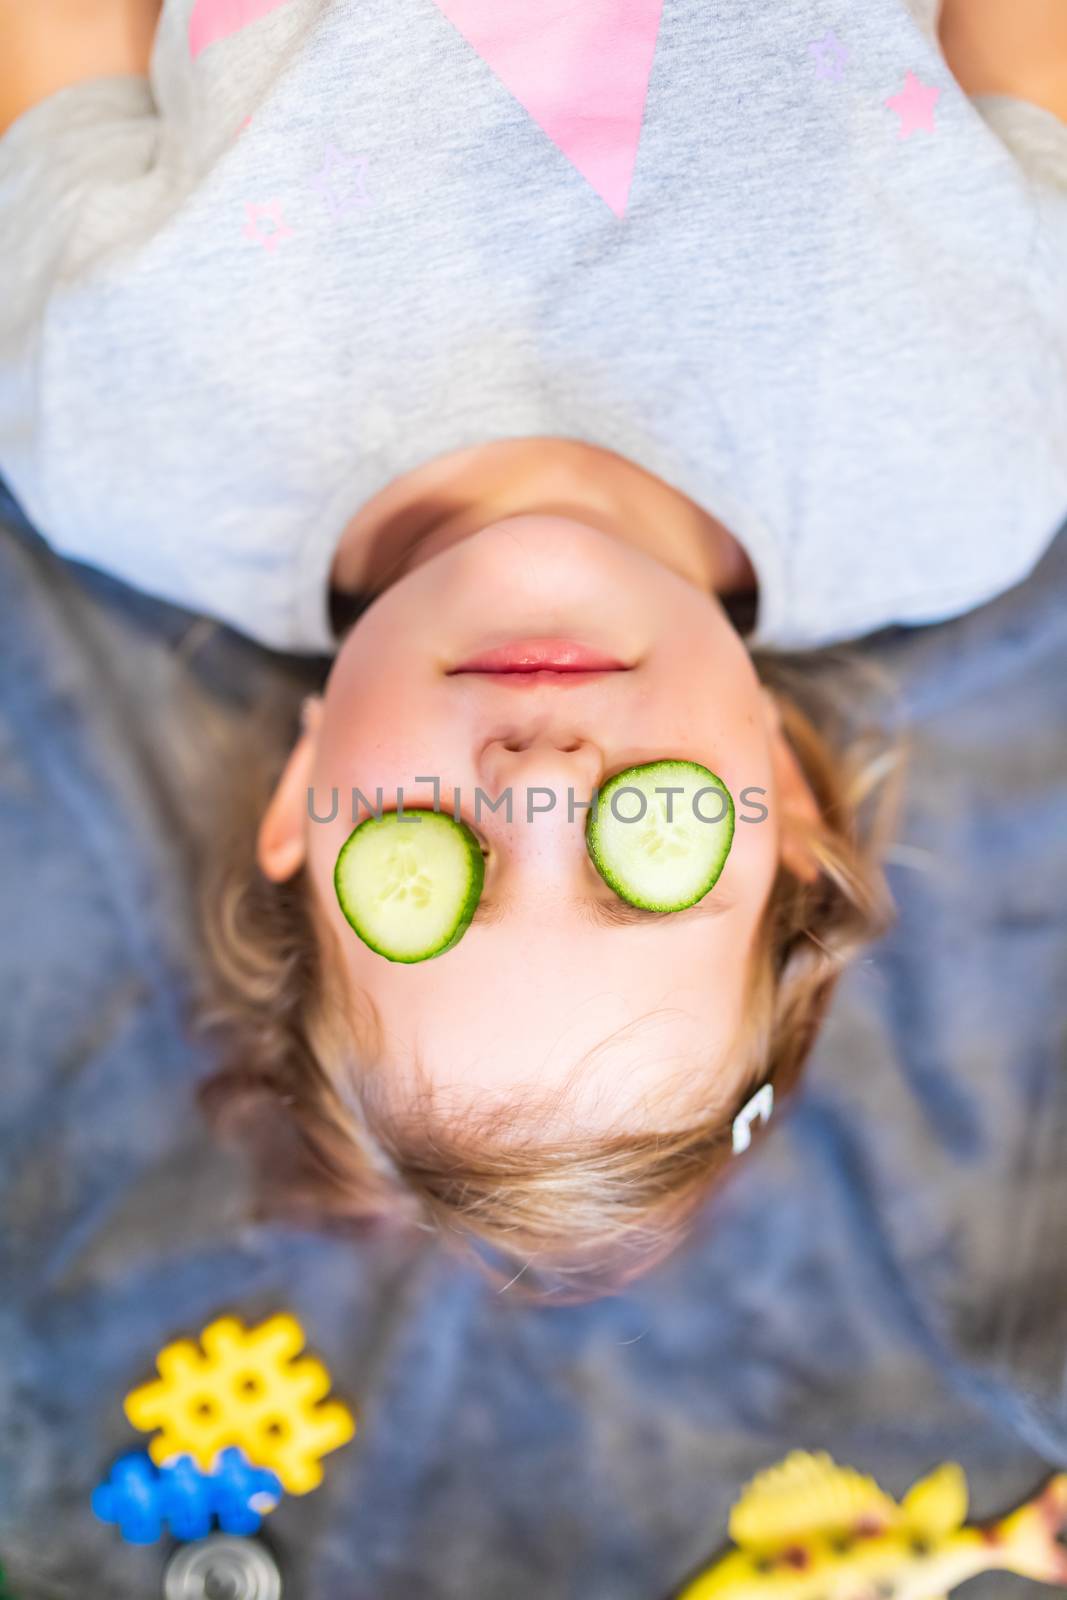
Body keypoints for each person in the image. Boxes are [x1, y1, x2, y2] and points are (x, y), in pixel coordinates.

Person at [1, 0, 1064, 1300]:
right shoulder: (968, 476)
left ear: (302, 807)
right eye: (653, 844)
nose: (541, 782)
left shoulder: (118, 451)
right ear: (785, 795)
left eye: (427, 874)